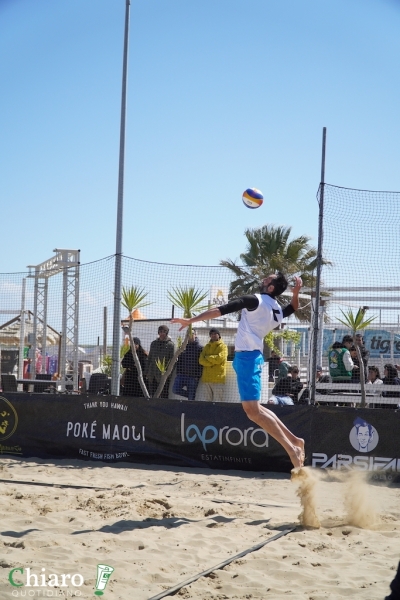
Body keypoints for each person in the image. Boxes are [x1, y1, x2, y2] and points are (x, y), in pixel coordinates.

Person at [171, 271, 305, 469]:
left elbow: (220, 310)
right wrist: (296, 293)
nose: (263, 278)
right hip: (250, 356)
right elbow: (293, 307)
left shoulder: (255, 300)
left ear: (270, 287)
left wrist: (190, 321)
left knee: (253, 412)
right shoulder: (276, 308)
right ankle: (295, 441)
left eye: (267, 278)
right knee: (256, 410)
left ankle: (291, 449)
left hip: (248, 358)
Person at [196, 328, 228, 402]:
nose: (213, 335)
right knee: (207, 402)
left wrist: (208, 357)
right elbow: (201, 360)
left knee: (218, 402)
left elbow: (220, 359)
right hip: (206, 379)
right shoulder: (206, 347)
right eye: (211, 334)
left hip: (218, 379)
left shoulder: (223, 346)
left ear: (219, 335)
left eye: (215, 334)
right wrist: (212, 361)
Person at [172, 328, 203, 400]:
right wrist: (178, 372)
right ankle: (191, 395)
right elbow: (179, 360)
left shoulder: (200, 348)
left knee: (191, 398)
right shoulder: (183, 347)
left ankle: (191, 408)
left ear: (195, 335)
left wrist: (197, 376)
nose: (189, 335)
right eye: (188, 334)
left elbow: (201, 364)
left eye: (192, 334)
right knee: (175, 390)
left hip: (193, 377)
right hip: (181, 375)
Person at [146, 325, 175, 398]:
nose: (162, 334)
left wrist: (168, 374)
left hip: (164, 375)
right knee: (152, 395)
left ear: (167, 333)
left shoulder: (171, 345)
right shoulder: (153, 344)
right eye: (160, 332)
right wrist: (146, 372)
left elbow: (173, 361)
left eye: (164, 332)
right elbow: (149, 358)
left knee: (164, 395)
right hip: (153, 374)